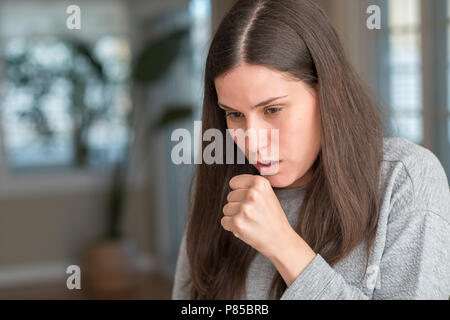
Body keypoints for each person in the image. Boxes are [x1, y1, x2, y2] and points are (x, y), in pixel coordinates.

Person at [172, 0, 450, 299]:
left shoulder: (404, 179)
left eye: (273, 109)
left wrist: (283, 245)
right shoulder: (223, 184)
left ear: (332, 89)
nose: (251, 142)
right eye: (234, 114)